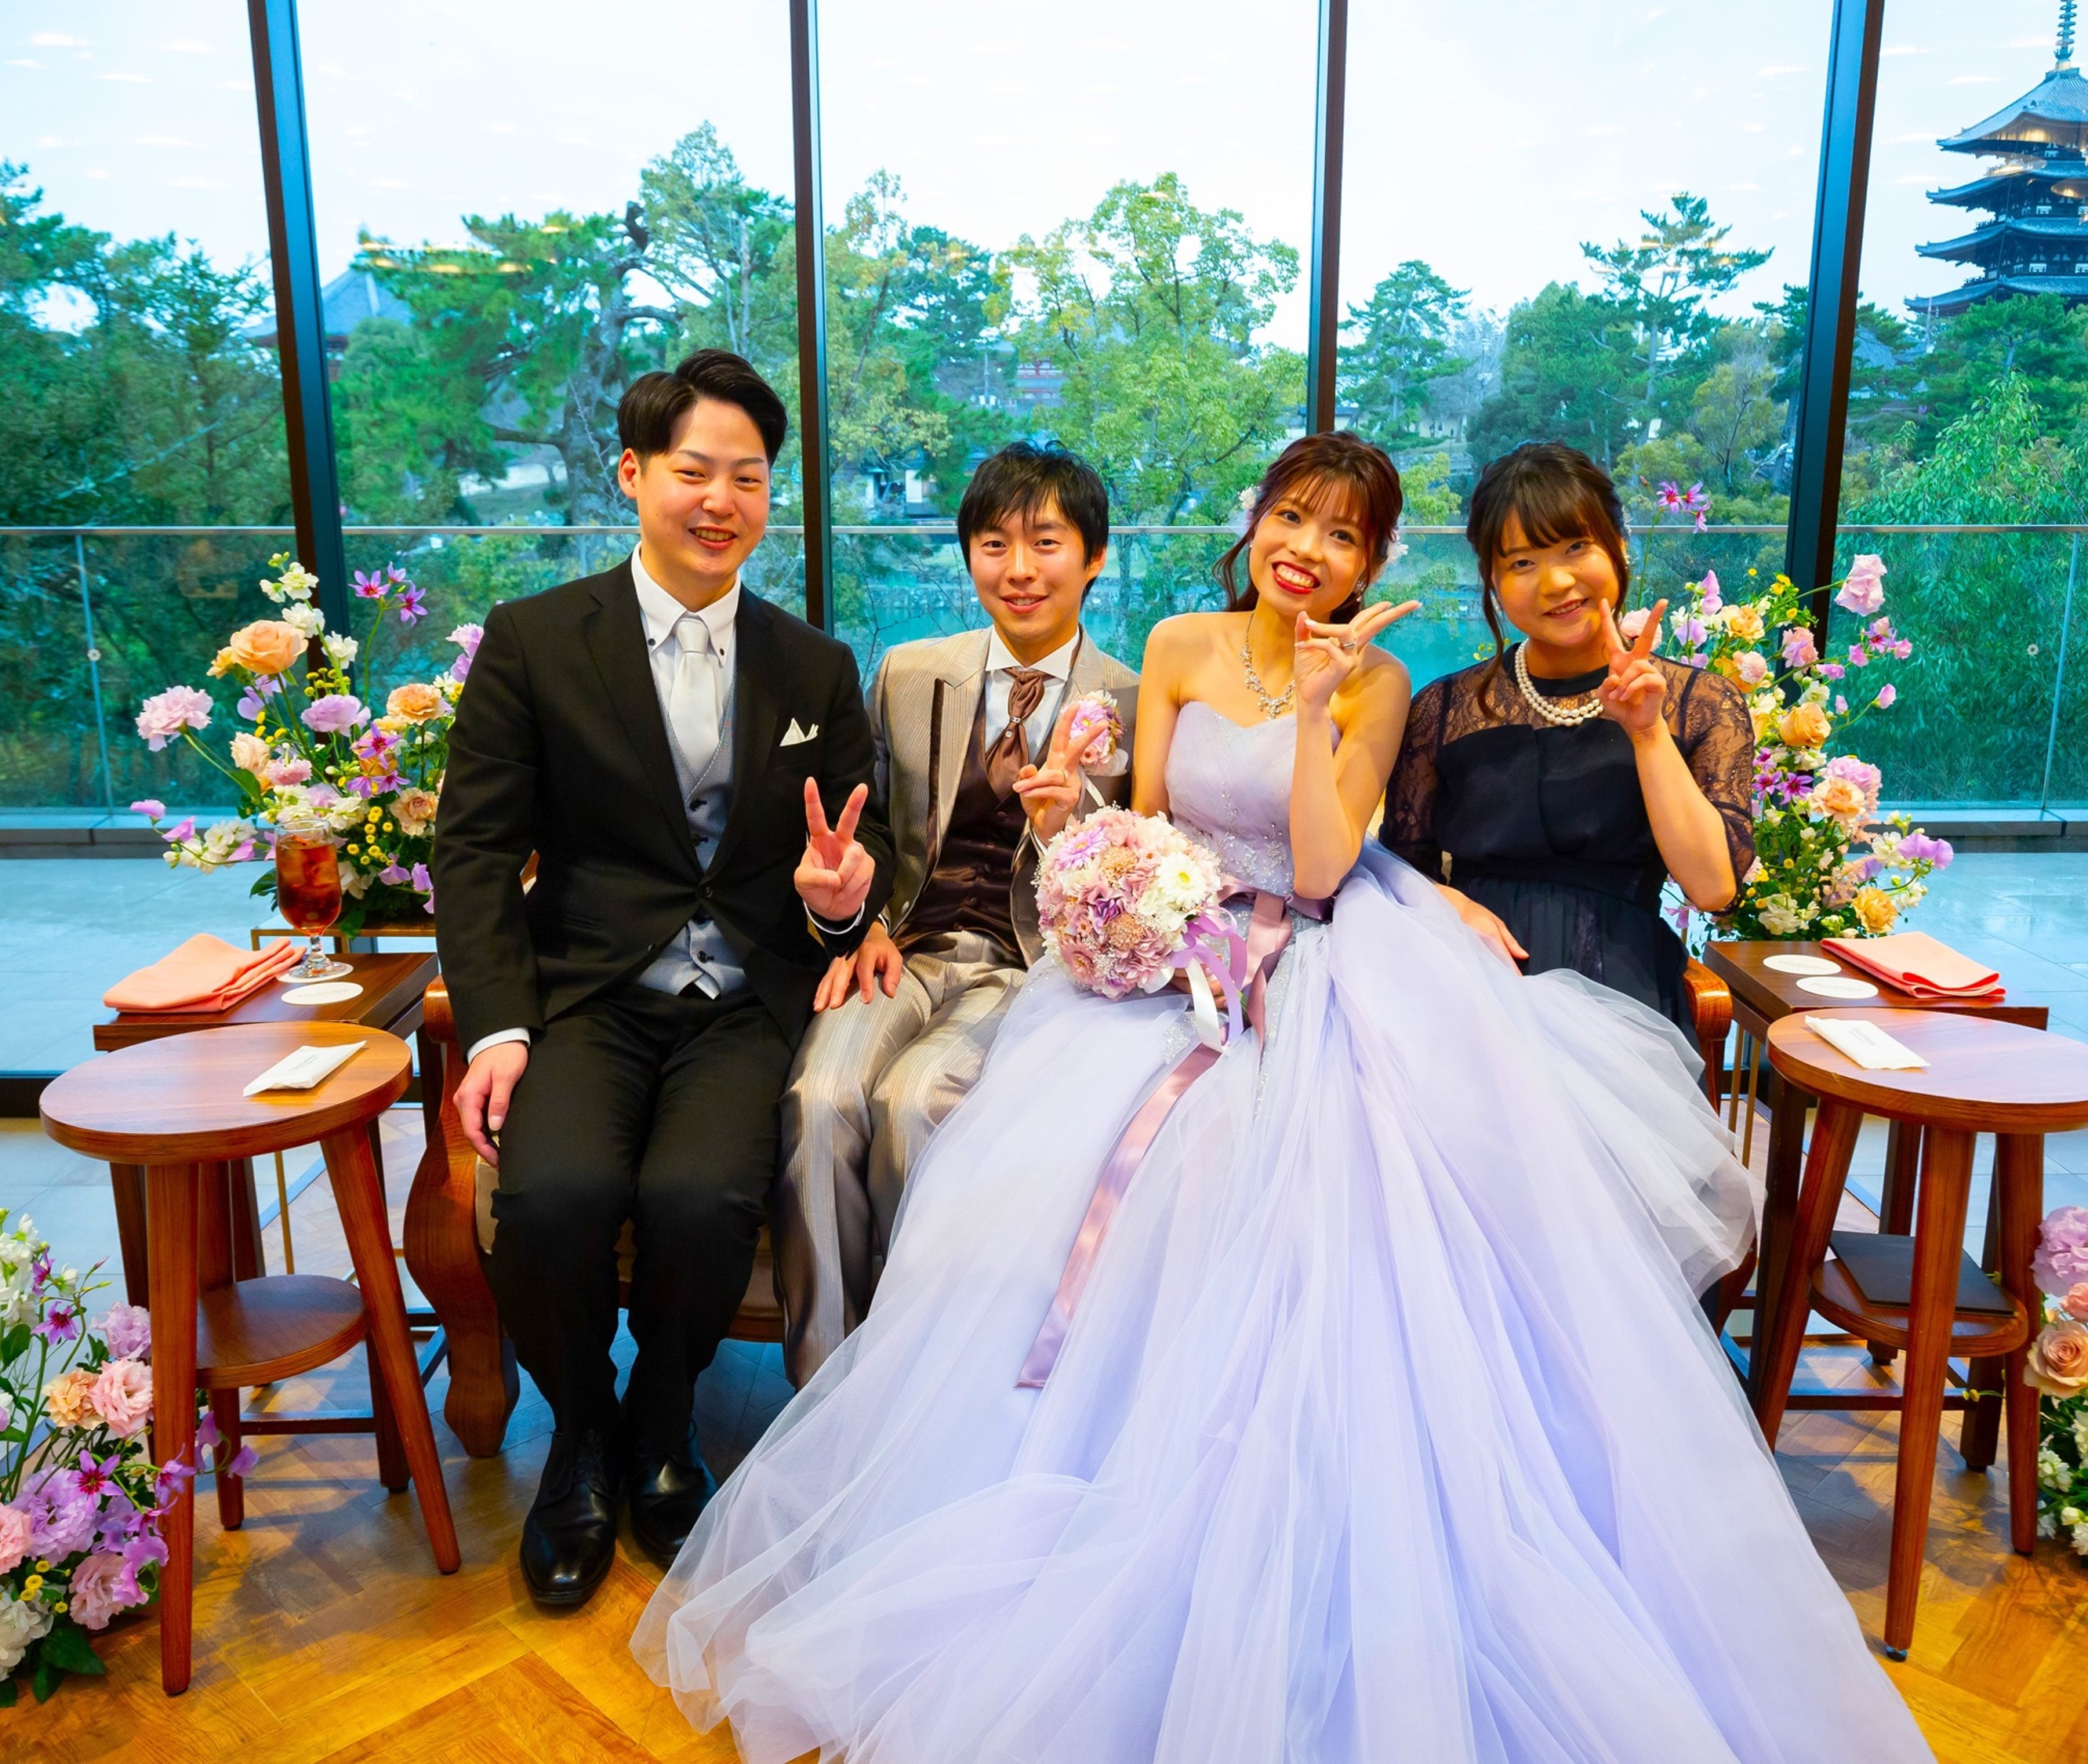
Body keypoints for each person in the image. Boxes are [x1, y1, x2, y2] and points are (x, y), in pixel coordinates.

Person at [631, 432, 1932, 1762]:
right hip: (1167, 965)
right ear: (1254, 522)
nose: (1308, 549)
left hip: (1308, 957)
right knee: (1054, 1169)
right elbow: (1147, 827)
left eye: (1344, 534)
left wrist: (1315, 711)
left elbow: (1318, 870)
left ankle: (1283, 1523)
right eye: (1292, 518)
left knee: (1297, 1196)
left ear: (1372, 563)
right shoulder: (1181, 646)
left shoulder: (1380, 683)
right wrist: (1103, 876)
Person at [432, 349, 891, 1602]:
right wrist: (496, 1029)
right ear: (633, 474)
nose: (720, 499)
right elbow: (470, 848)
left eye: (747, 476)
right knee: (548, 1198)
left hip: (741, 1002)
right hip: (585, 994)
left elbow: (860, 849)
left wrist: (842, 901)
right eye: (694, 470)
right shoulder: (536, 641)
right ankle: (581, 1432)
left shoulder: (812, 664)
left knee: (700, 1201)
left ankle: (664, 1416)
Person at [778, 442, 1139, 1387]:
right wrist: (857, 920)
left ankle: (917, 1378)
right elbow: (869, 831)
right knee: (820, 1098)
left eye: (1046, 543)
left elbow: (1131, 881)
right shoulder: (907, 673)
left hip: (1029, 967)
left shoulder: (1133, 701)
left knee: (916, 1103)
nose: (1019, 570)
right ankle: (823, 1383)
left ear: (1094, 557)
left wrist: (1065, 830)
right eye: (993, 544)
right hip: (905, 945)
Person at [1385, 441, 1752, 1042]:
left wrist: (1647, 732)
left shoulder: (1699, 703)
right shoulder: (1444, 709)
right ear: (1492, 581)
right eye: (1521, 563)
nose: (1556, 582)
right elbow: (1399, 874)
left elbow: (1712, 888)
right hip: (1468, 988)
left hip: (1620, 995)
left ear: (1618, 545)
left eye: (1575, 547)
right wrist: (1449, 904)